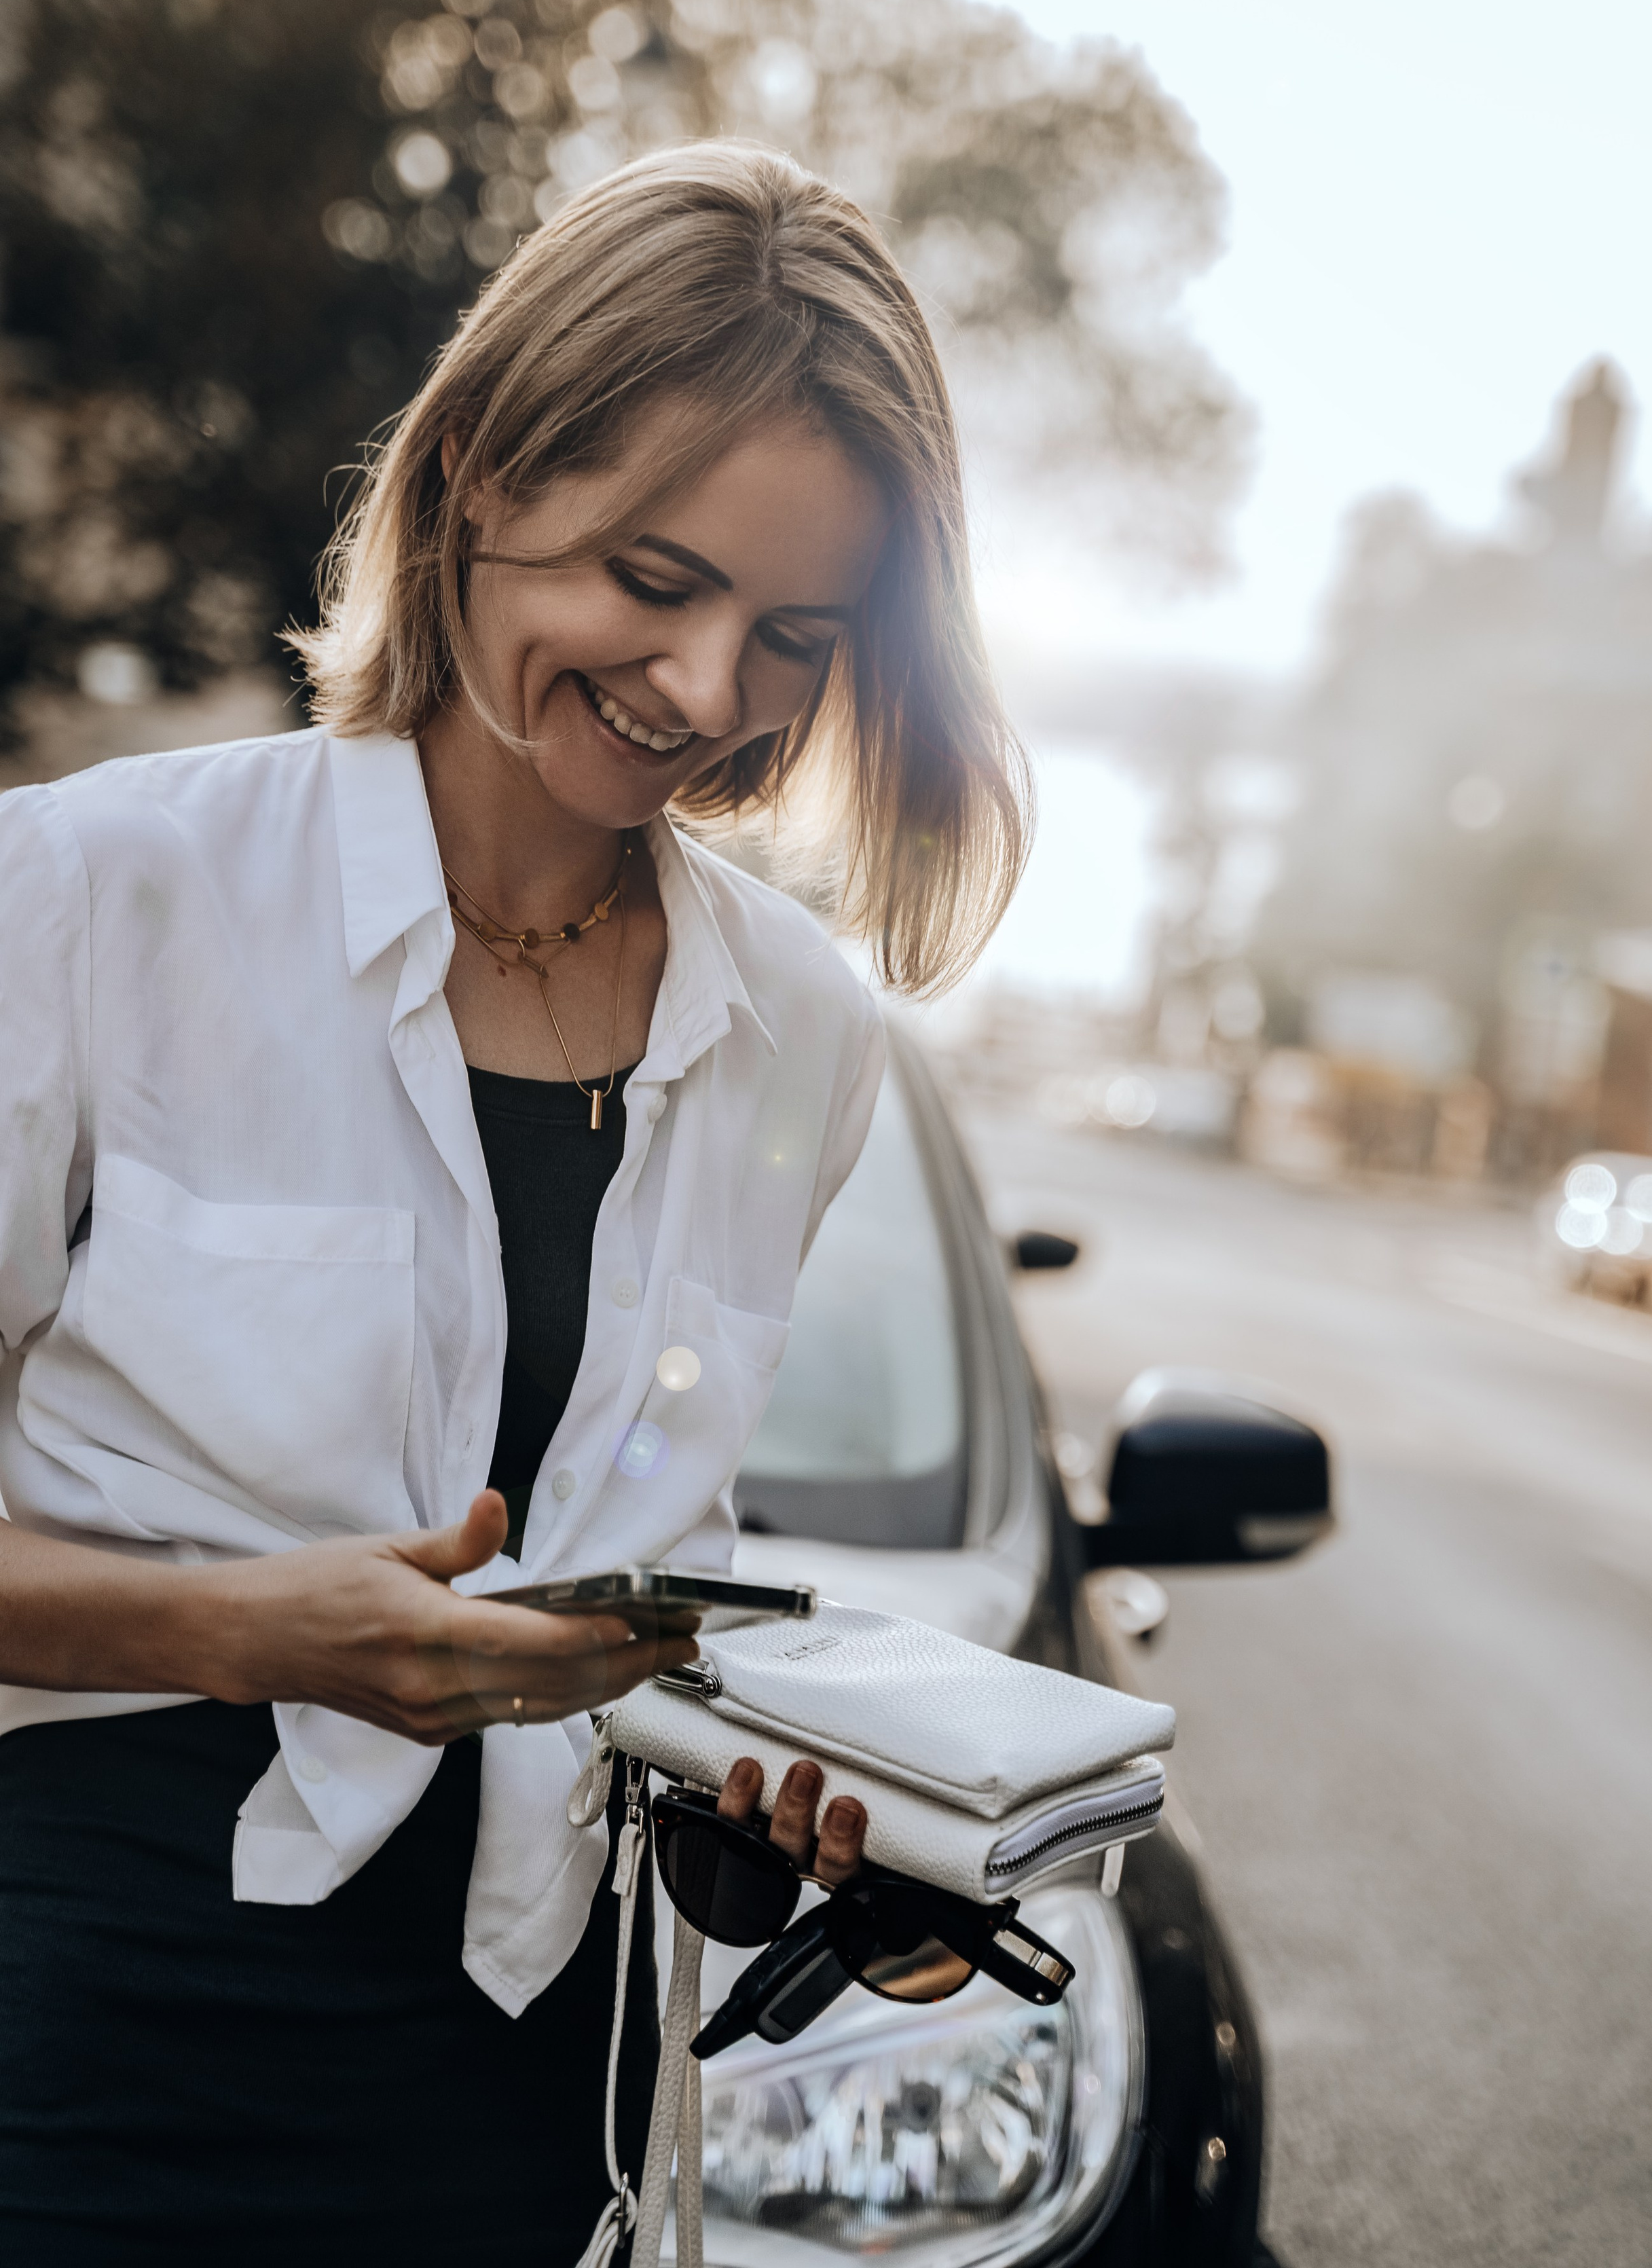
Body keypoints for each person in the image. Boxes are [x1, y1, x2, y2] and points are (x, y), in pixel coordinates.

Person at [0, 143, 1029, 2265]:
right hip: (75, 2076)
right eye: (655, 579)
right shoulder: (99, 896)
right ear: (475, 473)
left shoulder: (802, 1034)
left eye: (796, 636)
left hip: (519, 2120)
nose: (710, 691)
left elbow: (617, 1574)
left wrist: (780, 1802)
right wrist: (235, 1630)